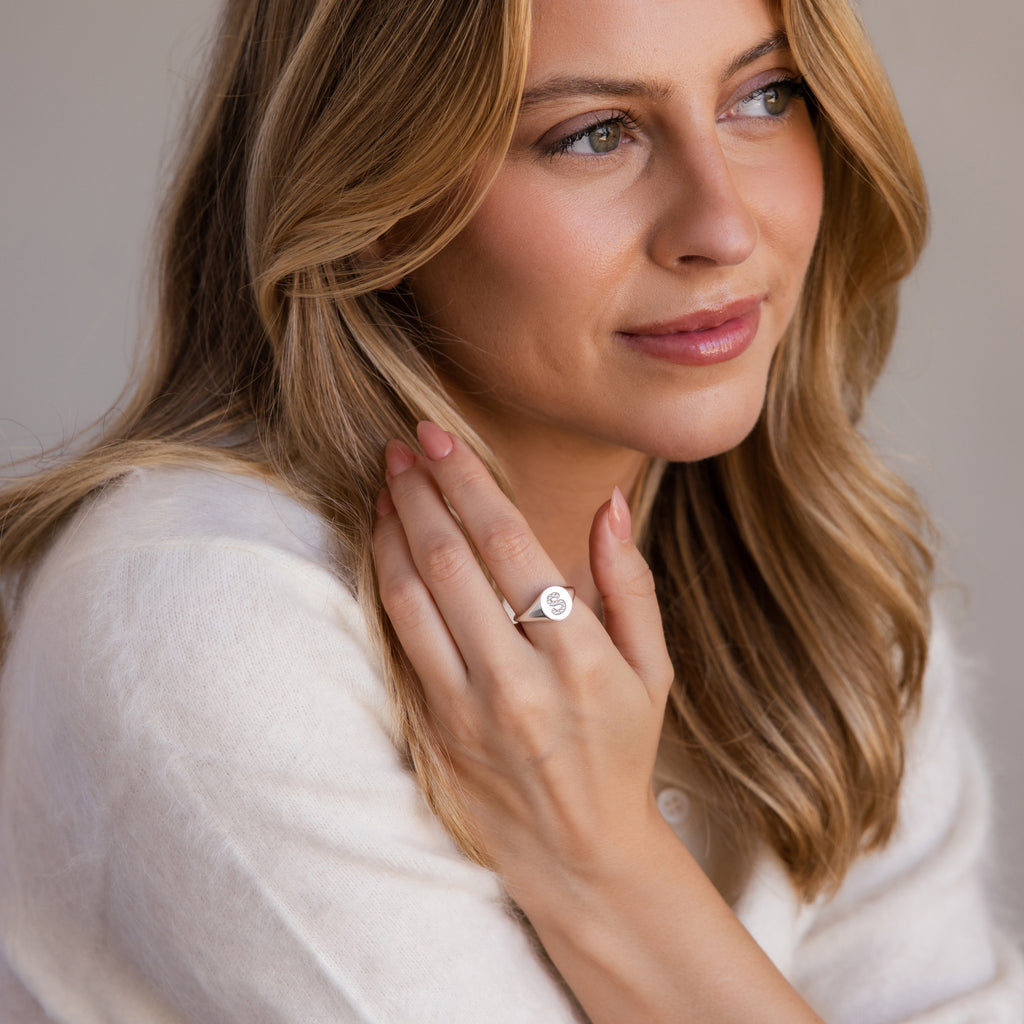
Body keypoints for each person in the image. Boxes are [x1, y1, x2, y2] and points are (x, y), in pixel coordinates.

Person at [1, 0, 1021, 1020]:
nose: (721, 224)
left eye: (761, 97)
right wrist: (606, 874)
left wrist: (610, 865)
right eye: (594, 134)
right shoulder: (198, 618)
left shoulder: (810, 572)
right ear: (374, 194)